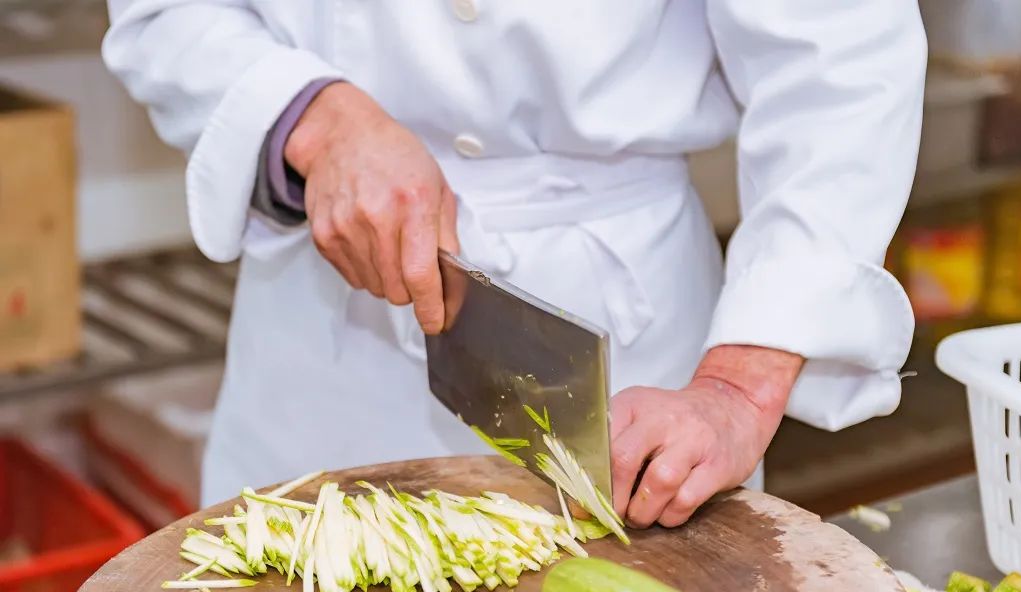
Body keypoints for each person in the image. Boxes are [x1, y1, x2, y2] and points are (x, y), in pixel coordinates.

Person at [103, 2, 926, 526]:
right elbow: (168, 13)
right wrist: (315, 120)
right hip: (321, 351)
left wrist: (739, 385)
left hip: (638, 370)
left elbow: (841, 63)